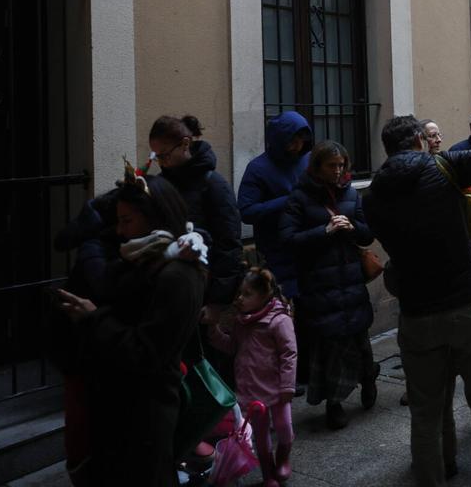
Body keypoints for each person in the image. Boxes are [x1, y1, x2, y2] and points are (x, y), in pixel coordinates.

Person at [364, 115, 471, 486]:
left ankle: (437, 474)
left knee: (425, 414)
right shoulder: (446, 165)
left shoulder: (372, 198)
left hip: (417, 312)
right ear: (420, 139)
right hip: (467, 302)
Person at [55, 168, 206, 487]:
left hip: (146, 413)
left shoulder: (176, 274)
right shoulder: (145, 257)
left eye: (127, 221)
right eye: (118, 221)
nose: (121, 231)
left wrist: (92, 317)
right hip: (123, 406)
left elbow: (146, 352)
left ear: (155, 218)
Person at [278, 141, 377, 430]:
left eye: (342, 165)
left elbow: (367, 234)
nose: (338, 171)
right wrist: (324, 231)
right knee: (330, 345)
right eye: (332, 166)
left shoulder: (352, 194)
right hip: (320, 282)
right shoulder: (299, 198)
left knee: (360, 337)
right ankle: (334, 403)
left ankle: (368, 379)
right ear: (317, 167)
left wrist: (352, 227)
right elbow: (288, 240)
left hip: (350, 279)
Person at [204, 268, 297, 486]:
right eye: (239, 293)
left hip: (276, 388)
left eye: (247, 294)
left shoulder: (278, 321)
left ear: (264, 295)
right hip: (251, 390)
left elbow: (289, 354)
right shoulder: (241, 321)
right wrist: (214, 331)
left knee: (284, 428)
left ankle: (283, 457)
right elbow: (232, 346)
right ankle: (268, 474)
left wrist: (287, 387)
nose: (239, 298)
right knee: (261, 437)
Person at [148, 115, 245, 306]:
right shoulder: (161, 183)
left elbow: (228, 245)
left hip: (201, 288)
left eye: (165, 155)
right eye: (156, 157)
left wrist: (217, 302)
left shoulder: (214, 184)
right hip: (166, 285)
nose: (161, 162)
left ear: (185, 144)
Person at [237, 112, 312, 301]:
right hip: (276, 251)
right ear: (279, 141)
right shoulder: (258, 168)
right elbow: (246, 211)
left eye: (301, 140)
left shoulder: (308, 159)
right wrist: (287, 201)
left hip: (310, 247)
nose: (297, 146)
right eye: (292, 141)